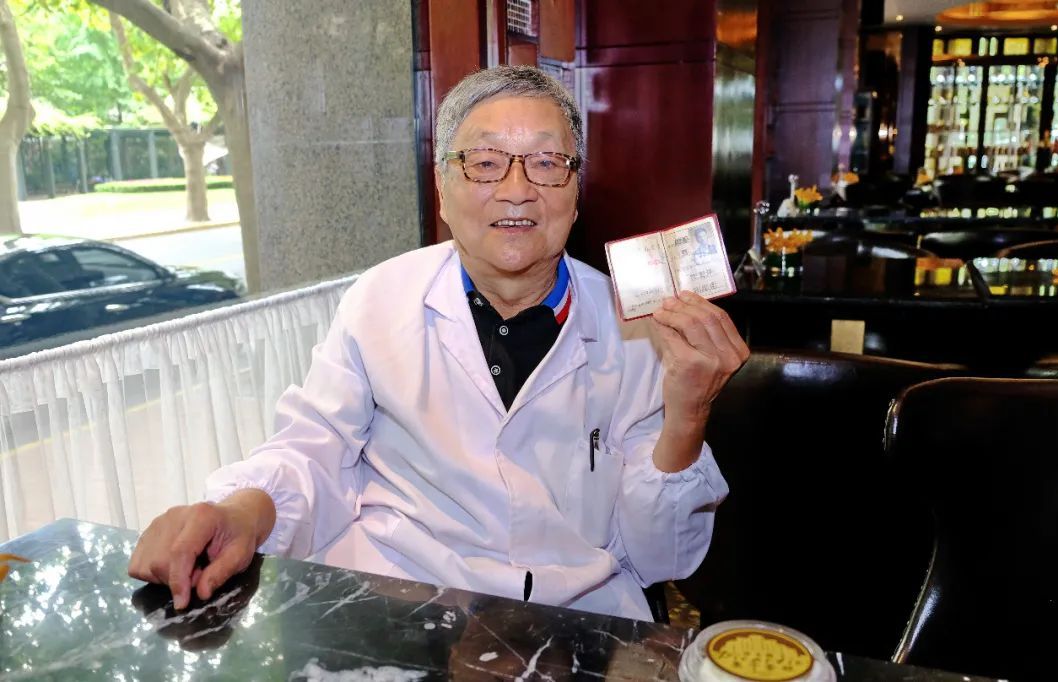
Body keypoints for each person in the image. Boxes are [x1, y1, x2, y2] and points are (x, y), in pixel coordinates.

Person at [128, 65, 750, 621]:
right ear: (443, 188)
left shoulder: (641, 331)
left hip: (577, 614)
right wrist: (241, 513)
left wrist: (687, 414)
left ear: (575, 189)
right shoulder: (380, 299)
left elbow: (660, 557)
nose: (516, 188)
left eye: (545, 161)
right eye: (484, 162)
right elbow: (316, 449)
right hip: (402, 598)